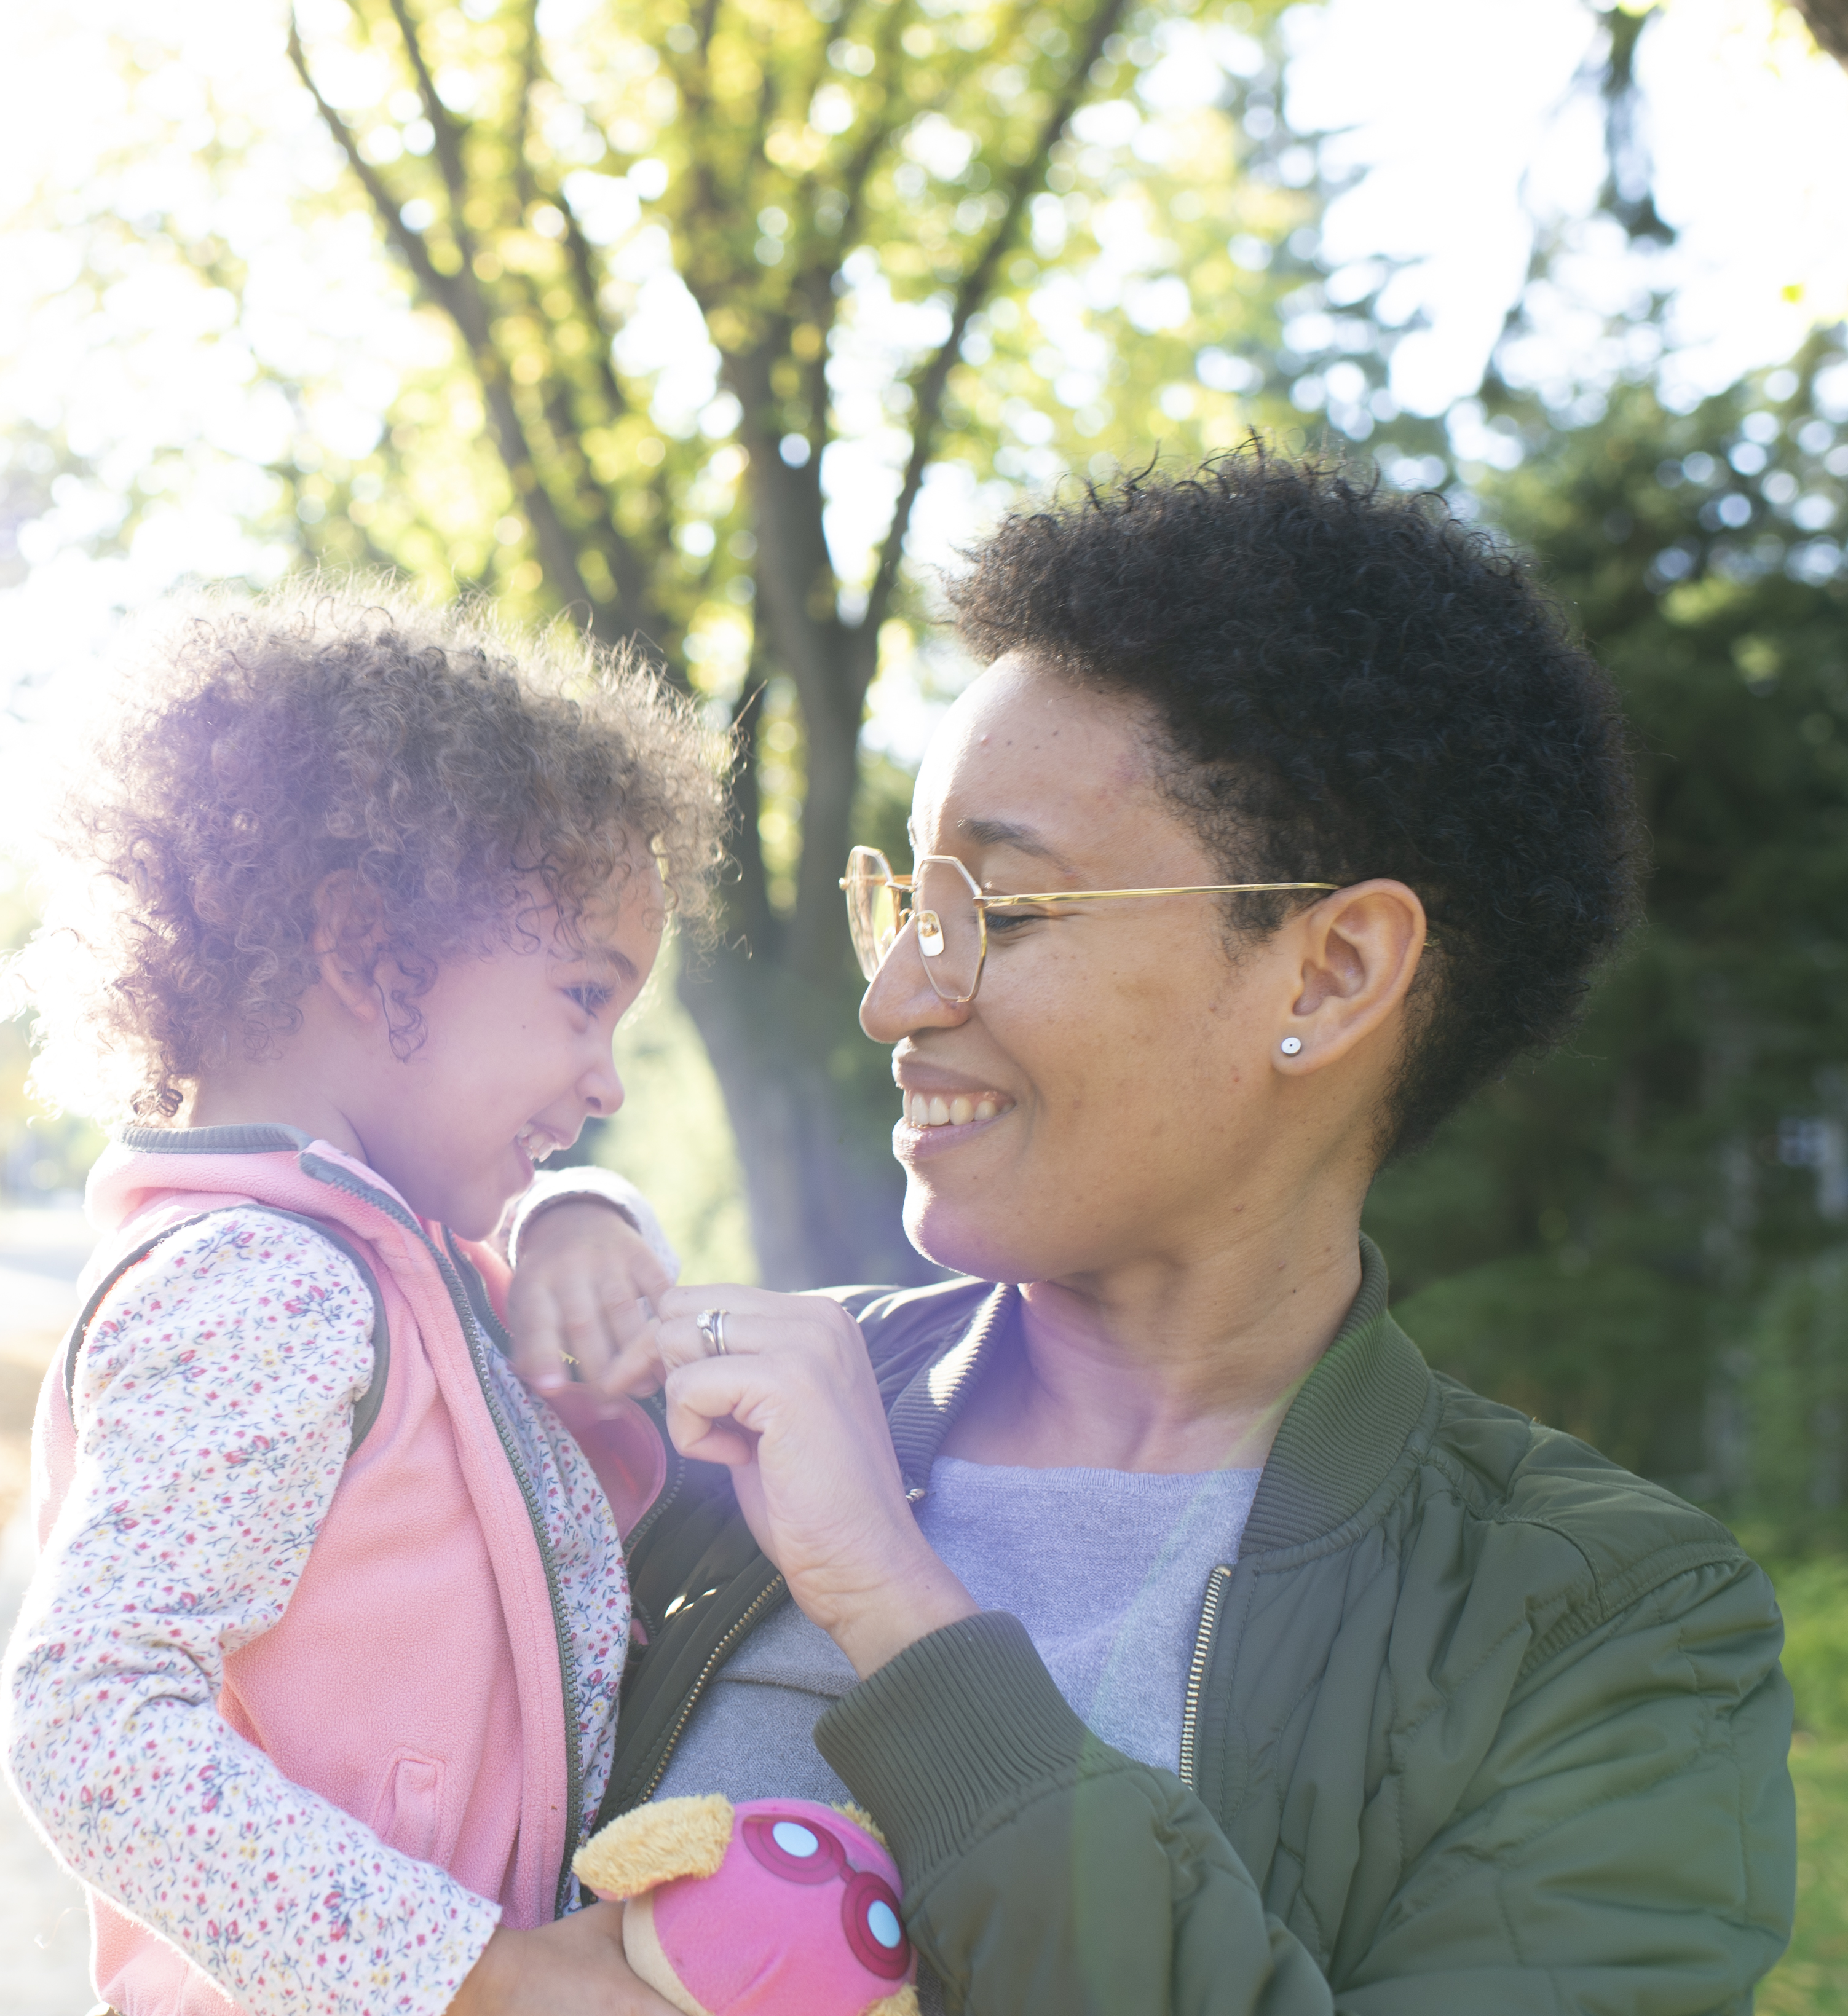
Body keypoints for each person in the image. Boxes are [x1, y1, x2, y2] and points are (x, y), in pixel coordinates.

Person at [507, 449, 1798, 2010]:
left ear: (1327, 974)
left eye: (1002, 905)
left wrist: (907, 1624)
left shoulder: (1605, 1630)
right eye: (899, 903)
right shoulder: (705, 1423)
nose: (896, 996)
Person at [0, 586, 721, 2016]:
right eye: (583, 996)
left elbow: (534, 1321)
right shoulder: (261, 1284)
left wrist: (584, 1210)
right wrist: (484, 1977)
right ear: (369, 954)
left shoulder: (396, 1254)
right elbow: (90, 1723)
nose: (608, 1079)